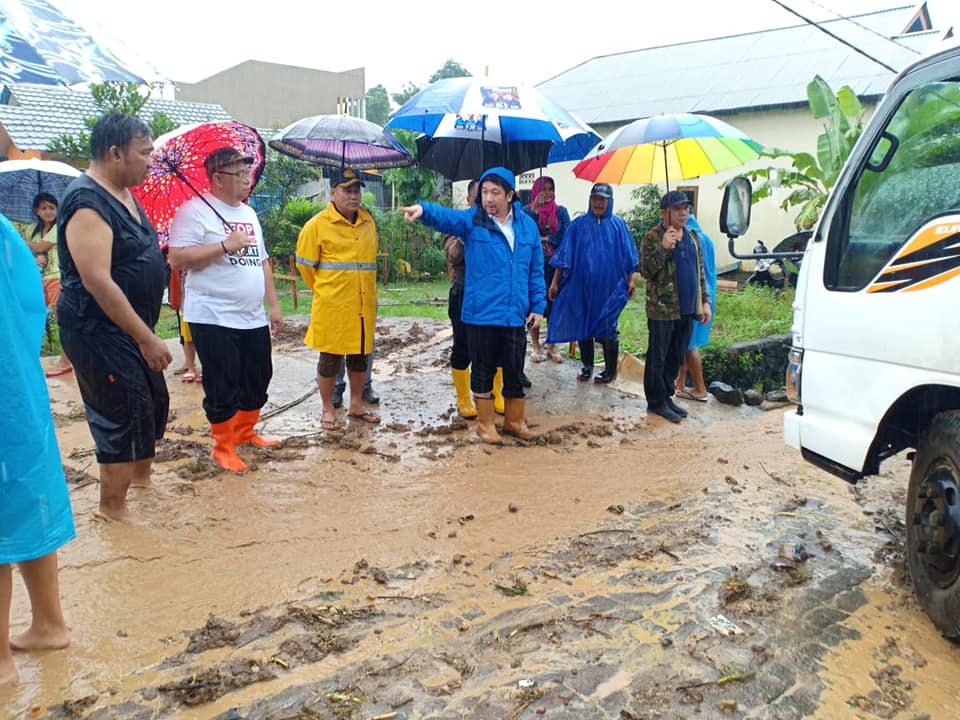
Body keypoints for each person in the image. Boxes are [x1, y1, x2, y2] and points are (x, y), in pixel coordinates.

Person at [57, 112, 172, 523]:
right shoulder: (86, 201)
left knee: (152, 404)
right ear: (115, 152)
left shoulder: (123, 191)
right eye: (144, 153)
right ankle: (112, 512)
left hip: (129, 327)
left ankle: (142, 488)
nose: (150, 161)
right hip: (98, 329)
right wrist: (146, 338)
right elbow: (98, 282)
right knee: (121, 412)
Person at [401, 167, 546, 443]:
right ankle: (486, 424)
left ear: (510, 195)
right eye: (484, 192)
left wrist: (538, 306)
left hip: (515, 314)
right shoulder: (473, 220)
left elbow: (535, 270)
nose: (488, 198)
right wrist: (424, 210)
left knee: (514, 370)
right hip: (481, 313)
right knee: (483, 370)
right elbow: (448, 218)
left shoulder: (527, 226)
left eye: (495, 192)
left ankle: (515, 421)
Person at [168, 147, 284, 472]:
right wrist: (222, 246)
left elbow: (262, 262)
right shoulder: (193, 212)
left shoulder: (248, 214)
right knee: (223, 381)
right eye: (240, 174)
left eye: (248, 173)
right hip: (213, 315)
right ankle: (224, 446)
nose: (248, 180)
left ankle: (246, 433)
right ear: (218, 178)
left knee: (258, 376)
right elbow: (176, 259)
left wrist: (273, 306)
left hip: (251, 316)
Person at [0, 211, 75, 688]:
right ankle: (49, 623)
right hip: (17, 389)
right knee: (24, 501)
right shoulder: (6, 230)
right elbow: (29, 308)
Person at [296, 168, 381, 431]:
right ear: (333, 192)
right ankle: (327, 408)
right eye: (347, 190)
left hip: (362, 305)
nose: (354, 196)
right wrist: (327, 290)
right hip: (332, 305)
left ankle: (356, 404)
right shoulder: (317, 226)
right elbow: (306, 267)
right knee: (330, 359)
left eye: (357, 190)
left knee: (358, 357)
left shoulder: (368, 222)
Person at [546, 183, 637, 384]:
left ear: (609, 201)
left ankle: (610, 370)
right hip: (581, 287)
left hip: (610, 289)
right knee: (583, 323)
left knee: (608, 327)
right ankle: (587, 366)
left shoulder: (618, 226)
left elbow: (628, 257)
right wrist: (555, 283)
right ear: (590, 199)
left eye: (602, 199)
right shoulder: (577, 225)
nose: (598, 202)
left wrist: (630, 281)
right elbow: (564, 256)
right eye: (595, 198)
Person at [639, 191, 711, 423]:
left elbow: (699, 272)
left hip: (687, 308)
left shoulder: (691, 237)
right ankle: (656, 401)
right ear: (664, 212)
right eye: (677, 208)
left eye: (685, 208)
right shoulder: (653, 236)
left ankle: (667, 396)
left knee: (676, 355)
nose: (683, 213)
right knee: (658, 356)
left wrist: (705, 302)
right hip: (662, 309)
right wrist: (663, 247)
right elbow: (646, 272)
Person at [444, 180, 507, 418]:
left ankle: (496, 393)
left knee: (498, 346)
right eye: (478, 197)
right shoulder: (458, 224)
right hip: (464, 293)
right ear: (470, 201)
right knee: (463, 347)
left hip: (494, 296)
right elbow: (453, 255)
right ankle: (463, 398)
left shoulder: (500, 225)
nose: (484, 202)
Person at [22, 193, 72, 376]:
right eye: (44, 208)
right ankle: (30, 357)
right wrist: (34, 258)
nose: (49, 211)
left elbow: (39, 247)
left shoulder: (59, 227)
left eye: (52, 207)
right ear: (36, 210)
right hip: (36, 278)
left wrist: (26, 245)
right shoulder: (31, 229)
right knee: (32, 316)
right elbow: (29, 254)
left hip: (57, 276)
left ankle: (66, 360)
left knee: (62, 319)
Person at [524, 175, 570, 364]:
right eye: (544, 189)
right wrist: (535, 209)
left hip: (555, 268)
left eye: (551, 189)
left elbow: (566, 238)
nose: (548, 193)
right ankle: (535, 346)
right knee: (534, 306)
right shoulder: (525, 212)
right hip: (533, 268)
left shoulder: (561, 212)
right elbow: (524, 234)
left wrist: (546, 240)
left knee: (555, 307)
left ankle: (553, 345)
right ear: (536, 191)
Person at [676, 213, 717, 402]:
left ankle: (700, 388)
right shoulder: (707, 240)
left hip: (696, 298)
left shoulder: (690, 240)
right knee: (686, 343)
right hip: (708, 295)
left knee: (689, 345)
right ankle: (680, 383)